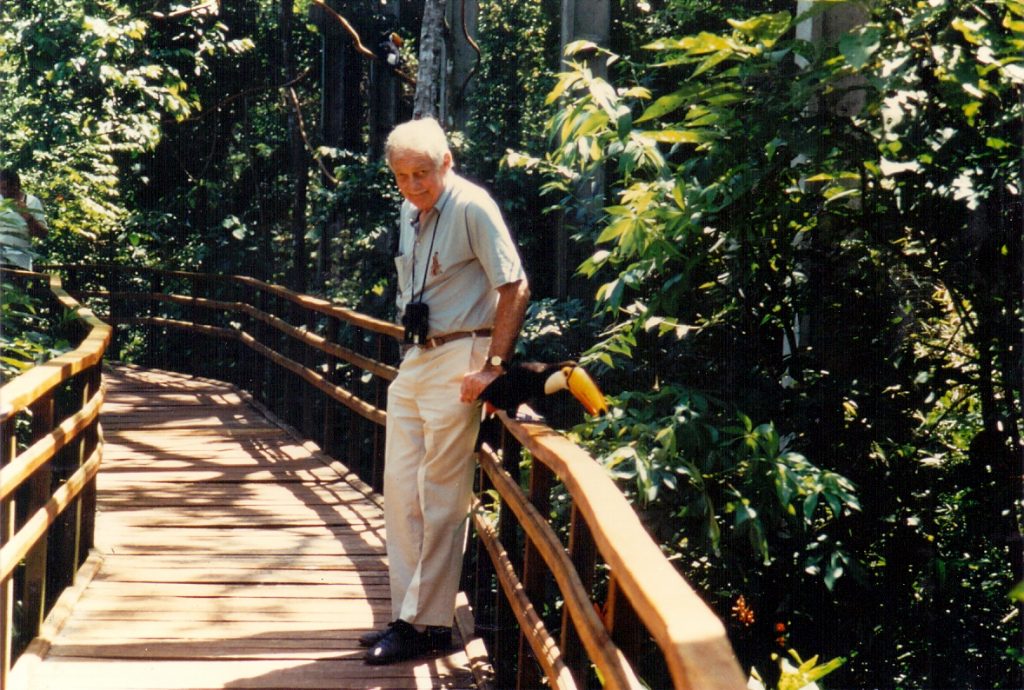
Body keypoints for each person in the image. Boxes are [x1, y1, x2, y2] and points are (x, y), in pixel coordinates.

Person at [363, 117, 530, 665]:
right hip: (418, 357)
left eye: (422, 174)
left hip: (463, 354)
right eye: (402, 176)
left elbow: (515, 285)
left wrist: (494, 367)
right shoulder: (410, 212)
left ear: (447, 163)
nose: (413, 186)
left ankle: (428, 622)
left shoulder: (472, 206)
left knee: (438, 493)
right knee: (401, 490)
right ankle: (408, 614)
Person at [0, 168, 48, 270]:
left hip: (20, 262)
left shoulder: (31, 202)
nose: (3, 192)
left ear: (16, 186)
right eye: (1, 188)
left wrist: (27, 215)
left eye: (5, 188)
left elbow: (43, 234)